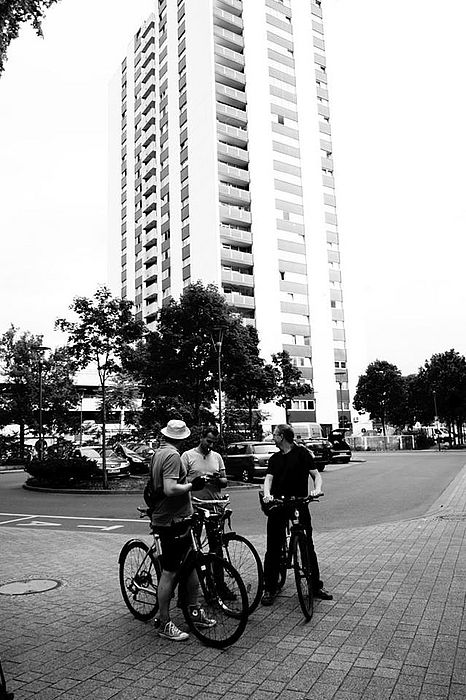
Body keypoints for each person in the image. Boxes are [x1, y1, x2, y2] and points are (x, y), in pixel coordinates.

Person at [150, 419, 215, 641]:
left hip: (179, 517)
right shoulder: (172, 456)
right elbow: (170, 489)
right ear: (183, 437)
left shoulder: (159, 453)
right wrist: (192, 485)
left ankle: (193, 611)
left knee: (192, 564)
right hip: (171, 521)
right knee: (170, 571)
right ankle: (164, 622)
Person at [261, 423, 333, 606]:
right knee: (273, 546)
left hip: (299, 502)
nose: (273, 437)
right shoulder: (275, 458)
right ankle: (269, 588)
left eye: (275, 434)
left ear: (282, 436)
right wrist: (268, 494)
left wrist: (317, 489)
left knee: (307, 545)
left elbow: (316, 475)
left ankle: (315, 586)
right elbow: (268, 479)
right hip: (278, 503)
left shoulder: (302, 454)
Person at [181, 426, 235, 600]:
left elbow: (225, 481)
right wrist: (197, 480)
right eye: (208, 441)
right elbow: (180, 480)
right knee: (192, 549)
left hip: (213, 507)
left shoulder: (217, 457)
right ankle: (188, 589)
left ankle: (218, 585)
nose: (210, 445)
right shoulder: (187, 456)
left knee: (216, 548)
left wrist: (217, 479)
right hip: (195, 508)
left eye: (213, 442)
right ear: (201, 438)